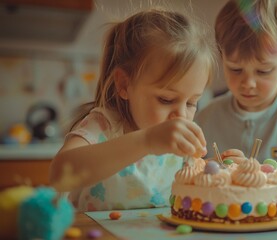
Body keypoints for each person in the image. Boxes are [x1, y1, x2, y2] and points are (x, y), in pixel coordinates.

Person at [49, 9, 217, 211]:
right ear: (124, 84)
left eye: (191, 103)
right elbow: (59, 175)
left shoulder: (178, 140)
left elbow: (192, 185)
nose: (181, 115)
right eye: (166, 99)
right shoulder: (103, 126)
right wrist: (147, 140)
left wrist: (218, 169)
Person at [195, 0, 277, 200]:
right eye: (236, 69)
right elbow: (193, 176)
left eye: (263, 71)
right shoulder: (206, 116)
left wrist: (253, 175)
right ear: (222, 58)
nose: (248, 83)